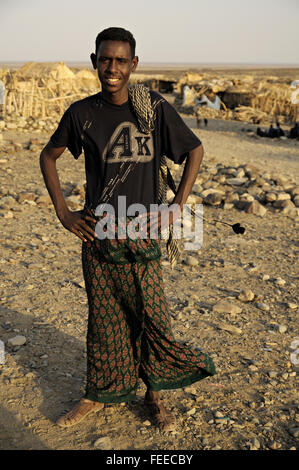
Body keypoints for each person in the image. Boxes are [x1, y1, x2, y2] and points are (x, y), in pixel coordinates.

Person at [39, 27, 215, 432]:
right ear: (94, 61)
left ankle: (154, 396)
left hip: (143, 234)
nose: (112, 68)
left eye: (120, 60)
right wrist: (64, 213)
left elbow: (194, 150)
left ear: (133, 64)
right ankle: (98, 394)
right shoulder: (81, 113)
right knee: (104, 320)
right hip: (99, 235)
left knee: (152, 317)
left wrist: (177, 206)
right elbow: (49, 157)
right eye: (105, 59)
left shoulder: (152, 108)